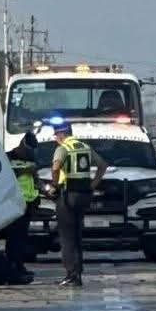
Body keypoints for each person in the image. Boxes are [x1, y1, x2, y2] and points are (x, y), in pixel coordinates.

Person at [48, 121, 108, 287]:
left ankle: (71, 275)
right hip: (84, 195)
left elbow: (55, 167)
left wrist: (54, 185)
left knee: (67, 237)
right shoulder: (84, 147)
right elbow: (103, 165)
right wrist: (93, 184)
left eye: (56, 135)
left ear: (61, 134)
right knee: (77, 235)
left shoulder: (63, 148)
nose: (55, 139)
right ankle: (78, 273)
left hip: (67, 195)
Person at [2, 131, 41, 278]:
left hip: (28, 204)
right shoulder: (8, 157)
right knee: (14, 238)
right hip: (13, 204)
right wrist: (25, 170)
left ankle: (19, 265)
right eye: (28, 151)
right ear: (22, 147)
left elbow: (35, 180)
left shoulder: (32, 159)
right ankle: (13, 267)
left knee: (22, 239)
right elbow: (6, 175)